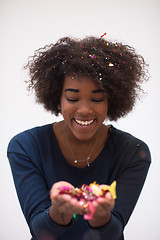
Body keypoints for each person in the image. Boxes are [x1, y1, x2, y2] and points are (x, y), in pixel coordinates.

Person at [7, 36, 151, 240]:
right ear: (57, 99)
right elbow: (39, 230)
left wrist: (100, 213)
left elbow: (113, 232)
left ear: (112, 100)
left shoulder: (133, 152)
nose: (84, 109)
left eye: (97, 98)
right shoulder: (25, 147)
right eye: (72, 98)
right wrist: (59, 210)